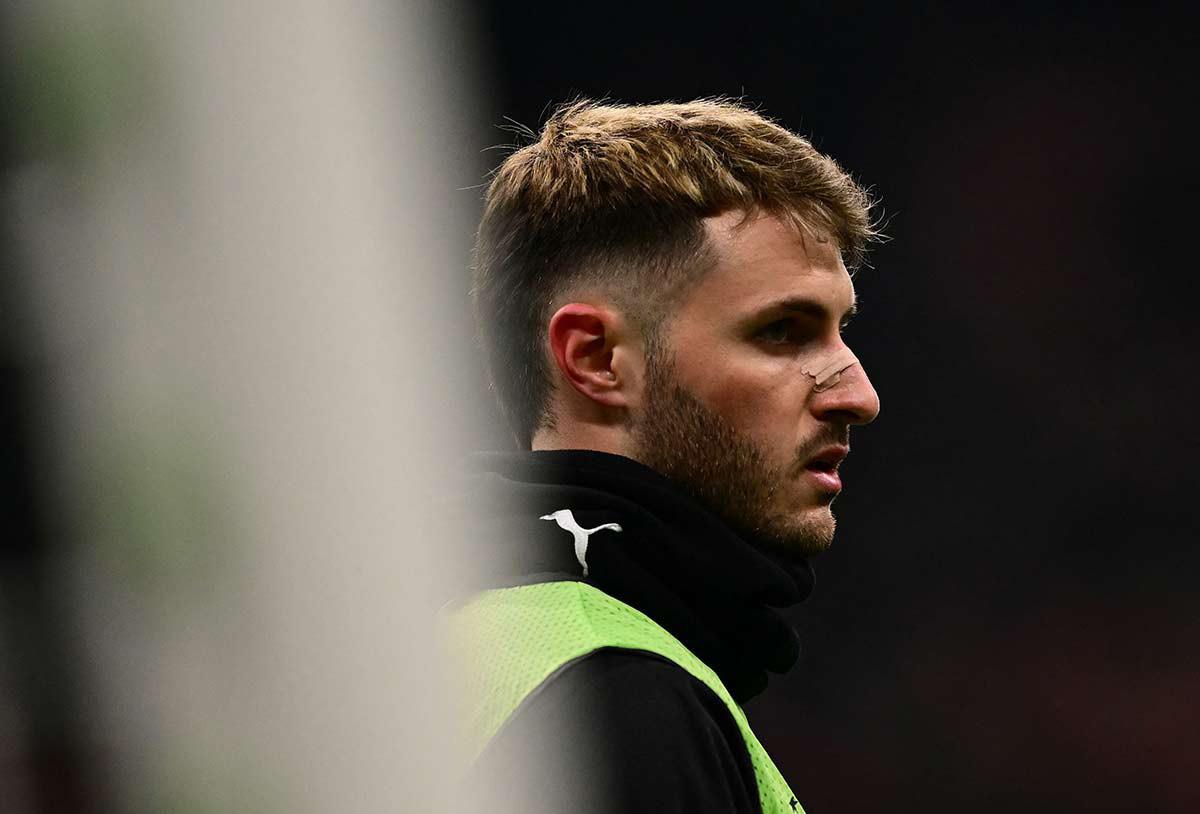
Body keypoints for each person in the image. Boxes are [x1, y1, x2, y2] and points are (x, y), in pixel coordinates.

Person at [448, 98, 882, 814]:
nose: (858, 396)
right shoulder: (619, 698)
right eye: (782, 332)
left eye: (841, 330)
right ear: (596, 358)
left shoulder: (436, 641)